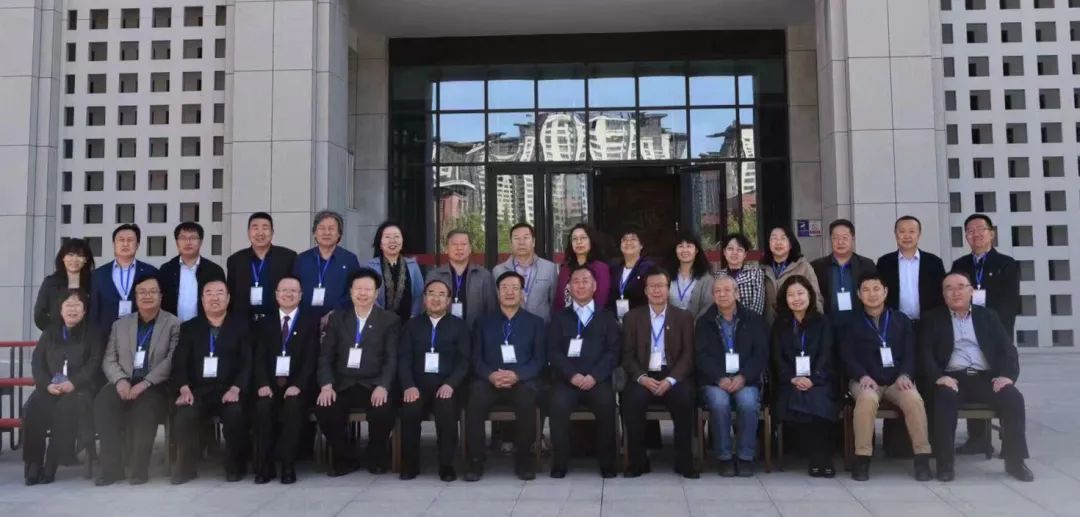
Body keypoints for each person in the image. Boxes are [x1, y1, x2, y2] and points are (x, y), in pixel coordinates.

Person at [920, 272, 1033, 482]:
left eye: (961, 287)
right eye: (949, 288)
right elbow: (924, 353)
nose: (955, 292)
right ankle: (945, 465)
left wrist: (1007, 376)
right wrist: (938, 377)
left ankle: (1015, 462)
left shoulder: (988, 316)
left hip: (985, 378)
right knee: (944, 398)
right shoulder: (932, 318)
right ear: (943, 294)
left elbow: (1007, 349)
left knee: (1013, 398)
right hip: (952, 378)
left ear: (971, 291)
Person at [841, 273, 932, 482]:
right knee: (866, 400)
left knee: (913, 399)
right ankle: (862, 458)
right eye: (866, 290)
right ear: (859, 294)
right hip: (865, 380)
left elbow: (910, 352)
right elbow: (847, 355)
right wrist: (862, 376)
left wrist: (905, 375)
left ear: (885, 292)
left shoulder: (901, 320)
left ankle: (922, 457)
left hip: (896, 380)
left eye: (876, 289)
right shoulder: (851, 322)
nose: (872, 294)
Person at [94, 274, 180, 486]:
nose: (147, 296)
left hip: (155, 385)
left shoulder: (174, 324)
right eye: (142, 292)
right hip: (124, 381)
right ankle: (112, 468)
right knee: (104, 402)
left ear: (161, 296)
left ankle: (138, 468)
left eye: (152, 291)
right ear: (135, 296)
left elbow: (172, 360)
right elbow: (109, 358)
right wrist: (120, 380)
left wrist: (146, 383)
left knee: (145, 409)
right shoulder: (120, 325)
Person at [315, 268, 400, 476]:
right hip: (343, 383)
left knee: (383, 410)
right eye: (358, 289)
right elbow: (325, 356)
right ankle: (346, 458)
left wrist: (383, 385)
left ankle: (375, 456)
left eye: (368, 289)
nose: (363, 293)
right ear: (351, 292)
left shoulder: (389, 320)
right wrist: (326, 385)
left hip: (373, 383)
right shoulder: (337, 318)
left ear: (376, 293)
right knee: (325, 408)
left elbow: (391, 358)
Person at [465, 271, 547, 482]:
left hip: (521, 381)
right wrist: (490, 375)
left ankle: (524, 459)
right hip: (489, 380)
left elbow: (539, 360)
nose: (509, 292)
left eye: (515, 288)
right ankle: (475, 459)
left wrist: (518, 375)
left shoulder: (535, 323)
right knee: (474, 395)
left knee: (528, 396)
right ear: (497, 292)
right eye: (504, 288)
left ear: (523, 294)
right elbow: (475, 358)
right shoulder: (483, 322)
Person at [950, 213, 1020, 455]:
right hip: (966, 332)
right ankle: (978, 438)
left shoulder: (1007, 264)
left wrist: (994, 330)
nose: (976, 234)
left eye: (981, 229)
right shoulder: (960, 265)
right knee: (972, 377)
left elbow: (1009, 303)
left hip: (994, 334)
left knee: (999, 384)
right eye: (970, 231)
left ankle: (1010, 444)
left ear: (992, 233)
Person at [170, 279, 252, 484]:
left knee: (235, 414)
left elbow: (248, 362)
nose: (214, 298)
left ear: (228, 298)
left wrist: (236, 388)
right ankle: (185, 467)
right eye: (209, 293)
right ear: (202, 299)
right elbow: (180, 361)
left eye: (220, 293)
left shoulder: (241, 326)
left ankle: (235, 466)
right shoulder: (190, 327)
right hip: (198, 390)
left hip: (229, 389)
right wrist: (184, 388)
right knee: (184, 414)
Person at [620, 268, 699, 479]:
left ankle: (684, 461)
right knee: (631, 399)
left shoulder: (683, 317)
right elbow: (627, 356)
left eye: (661, 286)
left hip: (673, 373)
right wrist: (642, 378)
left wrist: (671, 379)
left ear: (668, 289)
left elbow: (688, 355)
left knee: (684, 399)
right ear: (645, 291)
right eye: (652, 286)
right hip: (643, 374)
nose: (657, 290)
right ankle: (637, 462)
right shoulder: (632, 317)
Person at [23, 290, 103, 485]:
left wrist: (73, 383)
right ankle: (33, 464)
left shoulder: (93, 333)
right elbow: (37, 363)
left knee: (65, 409)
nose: (72, 309)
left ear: (84, 310)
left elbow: (94, 363)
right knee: (33, 408)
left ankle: (51, 464)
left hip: (79, 389)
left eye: (77, 305)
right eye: (68, 305)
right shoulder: (50, 332)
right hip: (51, 387)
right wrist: (47, 385)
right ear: (60, 310)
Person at [547, 266, 620, 478]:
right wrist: (572, 375)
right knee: (557, 405)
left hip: (597, 380)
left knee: (607, 405)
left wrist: (594, 376)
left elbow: (613, 352)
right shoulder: (559, 318)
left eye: (585, 281)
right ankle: (560, 462)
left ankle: (607, 462)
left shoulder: (607, 317)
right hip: (567, 380)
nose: (580, 285)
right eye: (576, 282)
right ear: (569, 287)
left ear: (595, 286)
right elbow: (553, 351)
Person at [398, 279, 470, 481]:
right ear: (424, 299)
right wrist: (409, 386)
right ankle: (410, 464)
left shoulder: (459, 326)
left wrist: (451, 384)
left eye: (441, 294)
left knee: (447, 409)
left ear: (448, 301)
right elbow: (403, 358)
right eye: (431, 293)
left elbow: (464, 360)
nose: (436, 298)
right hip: (417, 385)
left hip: (446, 384)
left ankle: (446, 465)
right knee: (410, 409)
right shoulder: (411, 325)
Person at [696, 275, 768, 477]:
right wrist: (719, 378)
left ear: (737, 294)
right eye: (718, 291)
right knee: (719, 403)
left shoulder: (754, 320)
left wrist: (743, 376)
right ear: (713, 296)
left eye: (727, 290)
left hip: (746, 379)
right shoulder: (704, 322)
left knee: (748, 403)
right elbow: (701, 356)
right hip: (715, 381)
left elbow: (761, 354)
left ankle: (745, 456)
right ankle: (724, 457)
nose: (722, 294)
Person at [253, 275, 320, 485]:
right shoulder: (264, 323)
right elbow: (258, 358)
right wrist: (263, 383)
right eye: (284, 290)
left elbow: (311, 358)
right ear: (276, 295)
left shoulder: (310, 322)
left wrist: (298, 385)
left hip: (299, 385)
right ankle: (265, 465)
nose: (288, 294)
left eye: (293, 291)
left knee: (293, 407)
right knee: (263, 408)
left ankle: (287, 464)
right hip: (270, 384)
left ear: (300, 295)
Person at [771, 275, 838, 478]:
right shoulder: (780, 325)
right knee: (799, 399)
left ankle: (822, 457)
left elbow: (826, 354)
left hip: (819, 379)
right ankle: (816, 457)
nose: (796, 299)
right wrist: (791, 377)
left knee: (818, 399)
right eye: (791, 295)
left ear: (810, 295)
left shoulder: (823, 322)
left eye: (800, 293)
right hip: (789, 381)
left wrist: (813, 378)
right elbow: (776, 357)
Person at [226, 212, 298, 323]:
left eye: (265, 228)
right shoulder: (235, 260)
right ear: (248, 233)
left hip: (276, 322)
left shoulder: (288, 258)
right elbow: (231, 296)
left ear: (272, 232)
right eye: (255, 228)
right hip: (243, 323)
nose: (260, 233)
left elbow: (296, 291)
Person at [811, 219, 877, 340]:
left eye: (845, 238)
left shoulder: (866, 265)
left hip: (860, 327)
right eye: (835, 238)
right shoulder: (817, 266)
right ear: (830, 240)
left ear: (853, 239)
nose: (840, 242)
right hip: (827, 326)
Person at [875, 215, 947, 323]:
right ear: (895, 235)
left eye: (912, 231)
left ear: (919, 234)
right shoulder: (884, 262)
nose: (907, 236)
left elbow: (942, 293)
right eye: (902, 231)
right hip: (894, 323)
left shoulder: (934, 262)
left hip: (928, 323)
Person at [294, 210, 362, 319]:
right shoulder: (302, 259)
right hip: (305, 319)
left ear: (339, 233)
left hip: (339, 319)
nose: (327, 232)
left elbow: (355, 290)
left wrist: (336, 312)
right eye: (322, 228)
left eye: (331, 228)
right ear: (314, 232)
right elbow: (294, 289)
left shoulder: (349, 259)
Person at [89, 224, 159, 329]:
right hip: (107, 333)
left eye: (130, 240)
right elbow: (94, 310)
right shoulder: (99, 274)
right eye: (121, 240)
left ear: (137, 245)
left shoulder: (151, 272)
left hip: (142, 331)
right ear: (114, 244)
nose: (125, 244)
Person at [426, 229, 497, 328]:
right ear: (447, 249)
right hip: (442, 333)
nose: (459, 248)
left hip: (475, 332)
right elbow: (426, 309)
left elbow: (491, 310)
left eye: (463, 244)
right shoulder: (434, 275)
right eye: (454, 244)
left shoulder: (483, 275)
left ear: (470, 248)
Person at [159, 222, 226, 322]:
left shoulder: (214, 270)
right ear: (177, 242)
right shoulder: (166, 269)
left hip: (203, 326)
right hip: (172, 327)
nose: (188, 242)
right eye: (183, 238)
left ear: (201, 242)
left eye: (193, 238)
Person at [492, 222, 558, 322]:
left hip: (543, 327)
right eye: (517, 238)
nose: (521, 242)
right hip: (510, 327)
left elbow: (553, 302)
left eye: (526, 237)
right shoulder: (498, 271)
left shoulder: (549, 268)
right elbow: (496, 303)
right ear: (511, 243)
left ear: (533, 242)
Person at [366, 221, 425, 321]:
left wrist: (413, 317)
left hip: (408, 322)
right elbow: (369, 296)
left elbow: (419, 295)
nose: (392, 241)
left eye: (396, 236)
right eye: (387, 237)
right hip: (380, 322)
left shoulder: (412, 265)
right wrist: (381, 318)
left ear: (402, 242)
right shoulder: (371, 267)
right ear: (380, 243)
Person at [761, 226, 821, 324]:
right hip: (769, 325)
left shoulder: (803, 267)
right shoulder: (762, 269)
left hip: (798, 324)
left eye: (783, 238)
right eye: (774, 238)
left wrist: (818, 324)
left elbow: (816, 297)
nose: (778, 242)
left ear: (791, 244)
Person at [34, 238, 95, 332]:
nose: (74, 259)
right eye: (70, 255)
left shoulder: (94, 281)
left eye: (79, 255)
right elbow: (39, 315)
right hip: (56, 337)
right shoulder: (50, 283)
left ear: (86, 259)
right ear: (63, 258)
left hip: (87, 336)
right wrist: (56, 333)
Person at [553, 223, 610, 316]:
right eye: (574, 239)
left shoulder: (601, 268)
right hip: (566, 319)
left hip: (592, 319)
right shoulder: (565, 268)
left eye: (583, 238)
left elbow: (601, 300)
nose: (579, 242)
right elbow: (558, 300)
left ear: (591, 241)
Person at [667, 231, 716, 318]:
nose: (684, 250)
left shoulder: (706, 278)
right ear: (675, 250)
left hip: (697, 324)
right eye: (680, 246)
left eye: (689, 246)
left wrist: (694, 323)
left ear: (696, 250)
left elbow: (708, 305)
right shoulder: (666, 275)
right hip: (670, 325)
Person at [608, 230, 653, 321]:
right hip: (617, 322)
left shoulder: (649, 268)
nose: (628, 242)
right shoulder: (614, 269)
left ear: (641, 245)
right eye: (624, 240)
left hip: (641, 321)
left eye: (633, 239)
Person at [718, 233, 765, 315]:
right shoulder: (718, 276)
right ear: (724, 252)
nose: (734, 253)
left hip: (750, 320)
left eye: (739, 250)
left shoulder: (755, 273)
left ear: (745, 254)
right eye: (730, 249)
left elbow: (758, 306)